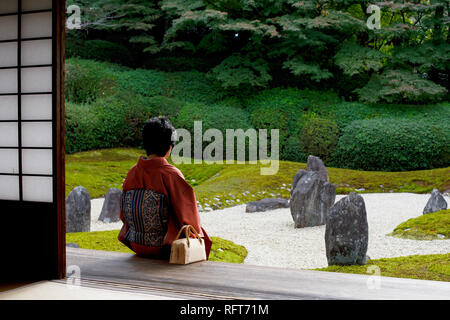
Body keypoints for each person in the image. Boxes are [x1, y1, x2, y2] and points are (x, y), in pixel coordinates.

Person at [118, 117, 212, 259]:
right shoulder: (171, 174)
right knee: (199, 234)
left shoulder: (132, 173)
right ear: (170, 147)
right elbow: (189, 218)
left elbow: (123, 215)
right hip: (163, 248)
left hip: (136, 243)